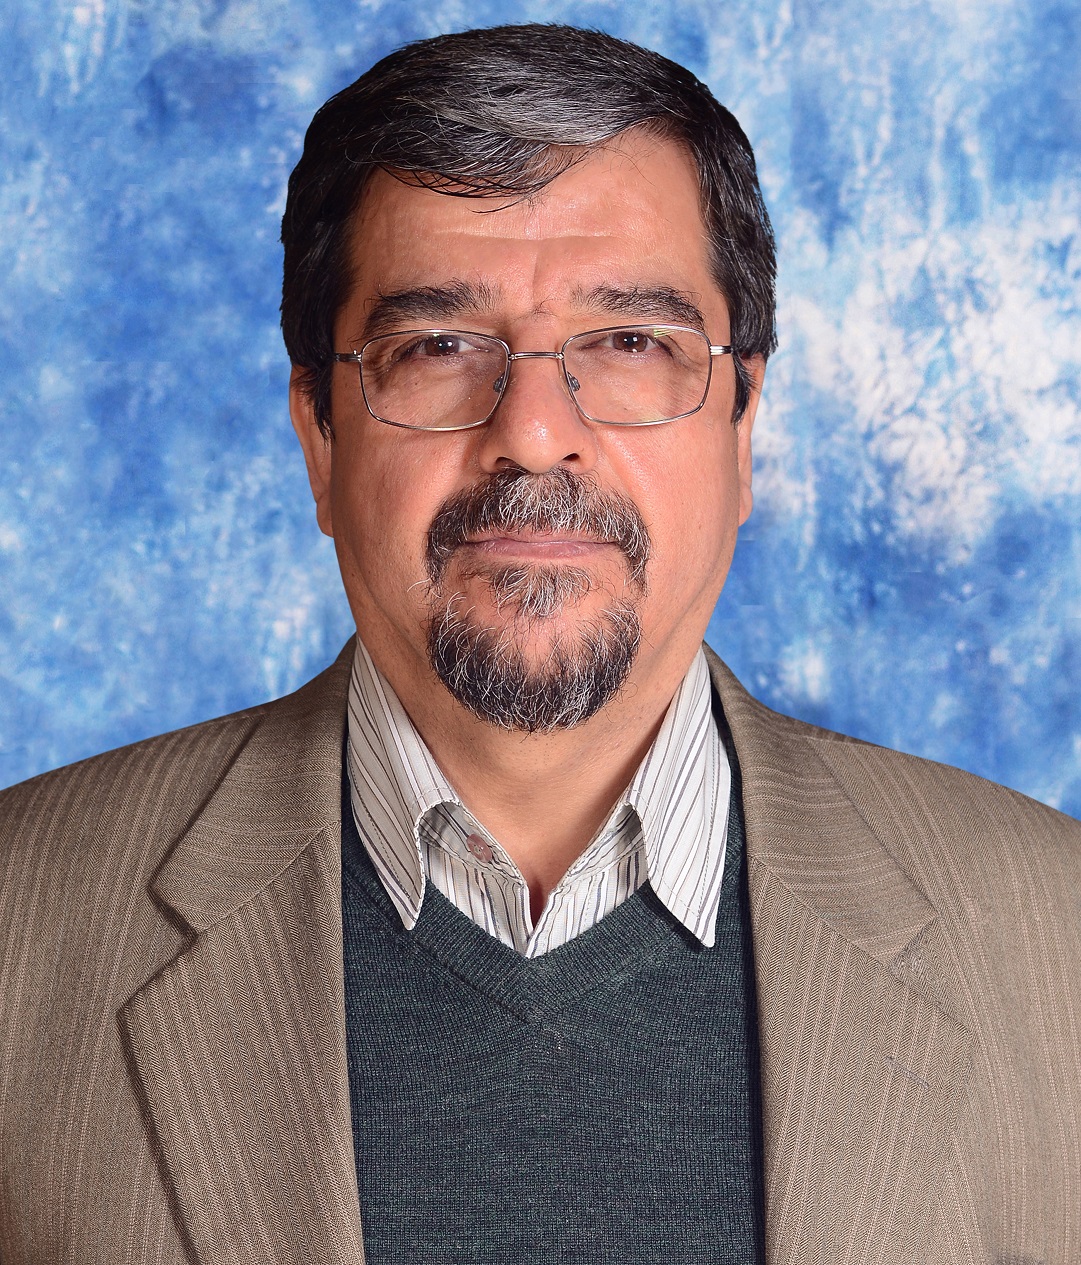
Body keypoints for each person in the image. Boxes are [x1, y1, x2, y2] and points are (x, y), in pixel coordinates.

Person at [1, 23, 1079, 1265]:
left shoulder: (1051, 936)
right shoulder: (23, 923)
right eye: (436, 347)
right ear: (317, 436)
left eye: (629, 343)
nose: (530, 432)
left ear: (742, 427)